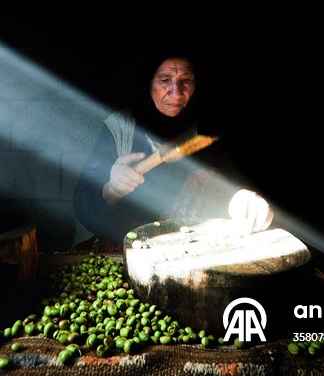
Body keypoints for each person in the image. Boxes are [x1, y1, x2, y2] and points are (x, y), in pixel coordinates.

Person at [72, 53, 273, 250]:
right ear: (149, 82)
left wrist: (243, 198)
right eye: (165, 80)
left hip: (190, 248)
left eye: (185, 81)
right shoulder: (121, 128)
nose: (176, 92)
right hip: (127, 246)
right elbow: (84, 205)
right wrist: (112, 189)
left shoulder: (207, 129)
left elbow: (232, 181)